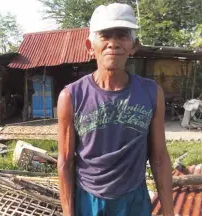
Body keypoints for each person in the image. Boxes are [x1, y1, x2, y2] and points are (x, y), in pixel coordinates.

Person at [57, 3, 174, 216]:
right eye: (105, 36)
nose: (113, 44)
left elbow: (159, 158)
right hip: (89, 200)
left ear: (134, 45)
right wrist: (68, 212)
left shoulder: (151, 93)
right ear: (89, 45)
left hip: (133, 201)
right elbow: (65, 162)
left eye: (122, 36)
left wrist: (169, 211)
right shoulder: (71, 96)